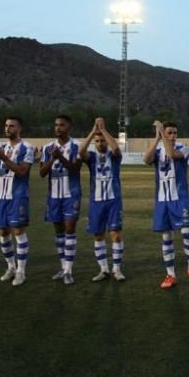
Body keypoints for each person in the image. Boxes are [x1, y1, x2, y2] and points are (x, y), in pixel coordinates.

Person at [144, 120, 189, 289]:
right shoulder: (157, 150)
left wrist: (162, 133)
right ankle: (170, 275)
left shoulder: (183, 148)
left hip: (180, 199)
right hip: (162, 200)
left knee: (187, 233)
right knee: (166, 237)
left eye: (174, 133)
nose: (172, 136)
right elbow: (146, 160)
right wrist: (157, 138)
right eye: (169, 132)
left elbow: (172, 154)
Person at [0, 117, 35, 287]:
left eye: (12, 126)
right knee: (3, 232)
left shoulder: (27, 147)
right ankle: (11, 267)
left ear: (19, 128)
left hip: (18, 196)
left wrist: (5, 159)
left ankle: (21, 271)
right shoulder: (2, 148)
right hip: (2, 196)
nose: (8, 128)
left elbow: (22, 171)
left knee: (18, 231)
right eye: (6, 125)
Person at [78, 117, 126, 282]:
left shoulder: (114, 157)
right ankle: (103, 269)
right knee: (98, 235)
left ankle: (117, 269)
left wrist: (104, 130)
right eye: (97, 141)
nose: (100, 143)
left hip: (113, 200)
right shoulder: (91, 157)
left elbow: (116, 148)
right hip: (96, 201)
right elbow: (80, 152)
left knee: (116, 235)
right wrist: (93, 132)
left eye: (102, 141)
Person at [40, 115, 82, 285]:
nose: (57, 128)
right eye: (56, 125)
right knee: (58, 231)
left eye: (61, 125)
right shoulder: (47, 147)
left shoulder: (77, 145)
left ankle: (69, 271)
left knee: (70, 229)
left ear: (69, 127)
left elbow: (75, 170)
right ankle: (63, 267)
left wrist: (60, 157)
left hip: (71, 194)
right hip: (53, 195)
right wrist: (52, 158)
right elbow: (42, 173)